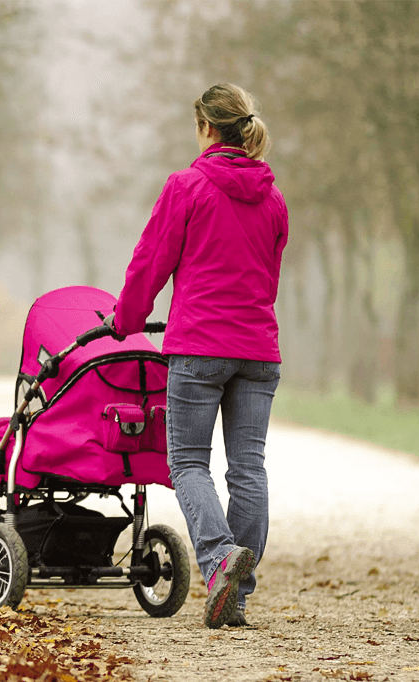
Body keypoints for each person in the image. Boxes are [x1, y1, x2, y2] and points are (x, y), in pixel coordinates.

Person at [105, 83, 289, 629]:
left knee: (186, 462)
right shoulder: (274, 199)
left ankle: (217, 564)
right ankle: (240, 591)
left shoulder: (186, 187)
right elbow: (269, 280)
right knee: (248, 468)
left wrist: (127, 322)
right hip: (258, 349)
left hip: (200, 346)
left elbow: (150, 262)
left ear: (206, 127)